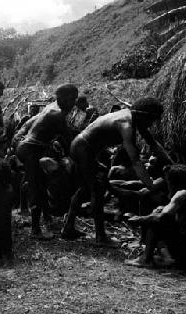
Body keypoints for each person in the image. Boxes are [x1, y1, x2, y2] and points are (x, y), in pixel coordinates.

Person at [62, 97, 173, 245]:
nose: (151, 124)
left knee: (84, 188)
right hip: (83, 149)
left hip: (84, 147)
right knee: (97, 188)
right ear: (144, 115)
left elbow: (153, 143)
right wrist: (151, 186)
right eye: (151, 120)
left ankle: (68, 228)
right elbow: (135, 160)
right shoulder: (126, 125)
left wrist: (172, 165)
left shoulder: (131, 116)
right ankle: (100, 236)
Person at [16, 84, 78, 239]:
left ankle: (46, 216)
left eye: (75, 99)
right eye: (71, 99)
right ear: (61, 98)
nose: (73, 103)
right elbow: (68, 139)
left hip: (32, 149)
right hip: (30, 150)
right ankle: (35, 230)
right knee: (36, 187)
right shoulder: (56, 113)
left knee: (41, 182)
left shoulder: (52, 108)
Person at [125, 164, 186, 270]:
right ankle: (166, 257)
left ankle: (145, 259)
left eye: (168, 182)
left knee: (158, 215)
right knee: (161, 212)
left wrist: (136, 219)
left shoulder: (182, 194)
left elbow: (160, 218)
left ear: (173, 183)